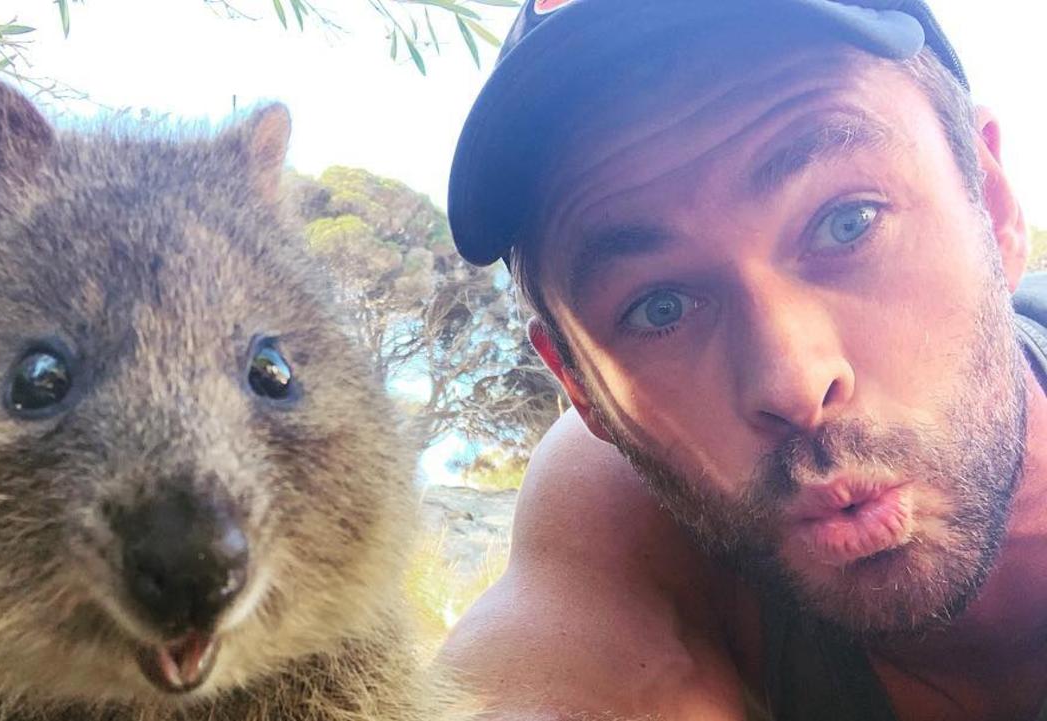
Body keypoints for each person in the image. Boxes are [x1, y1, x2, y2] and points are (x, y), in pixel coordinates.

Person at [441, 1, 1047, 720]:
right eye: (660, 307)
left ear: (996, 205)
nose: (793, 381)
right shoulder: (610, 509)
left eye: (847, 221)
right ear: (582, 387)